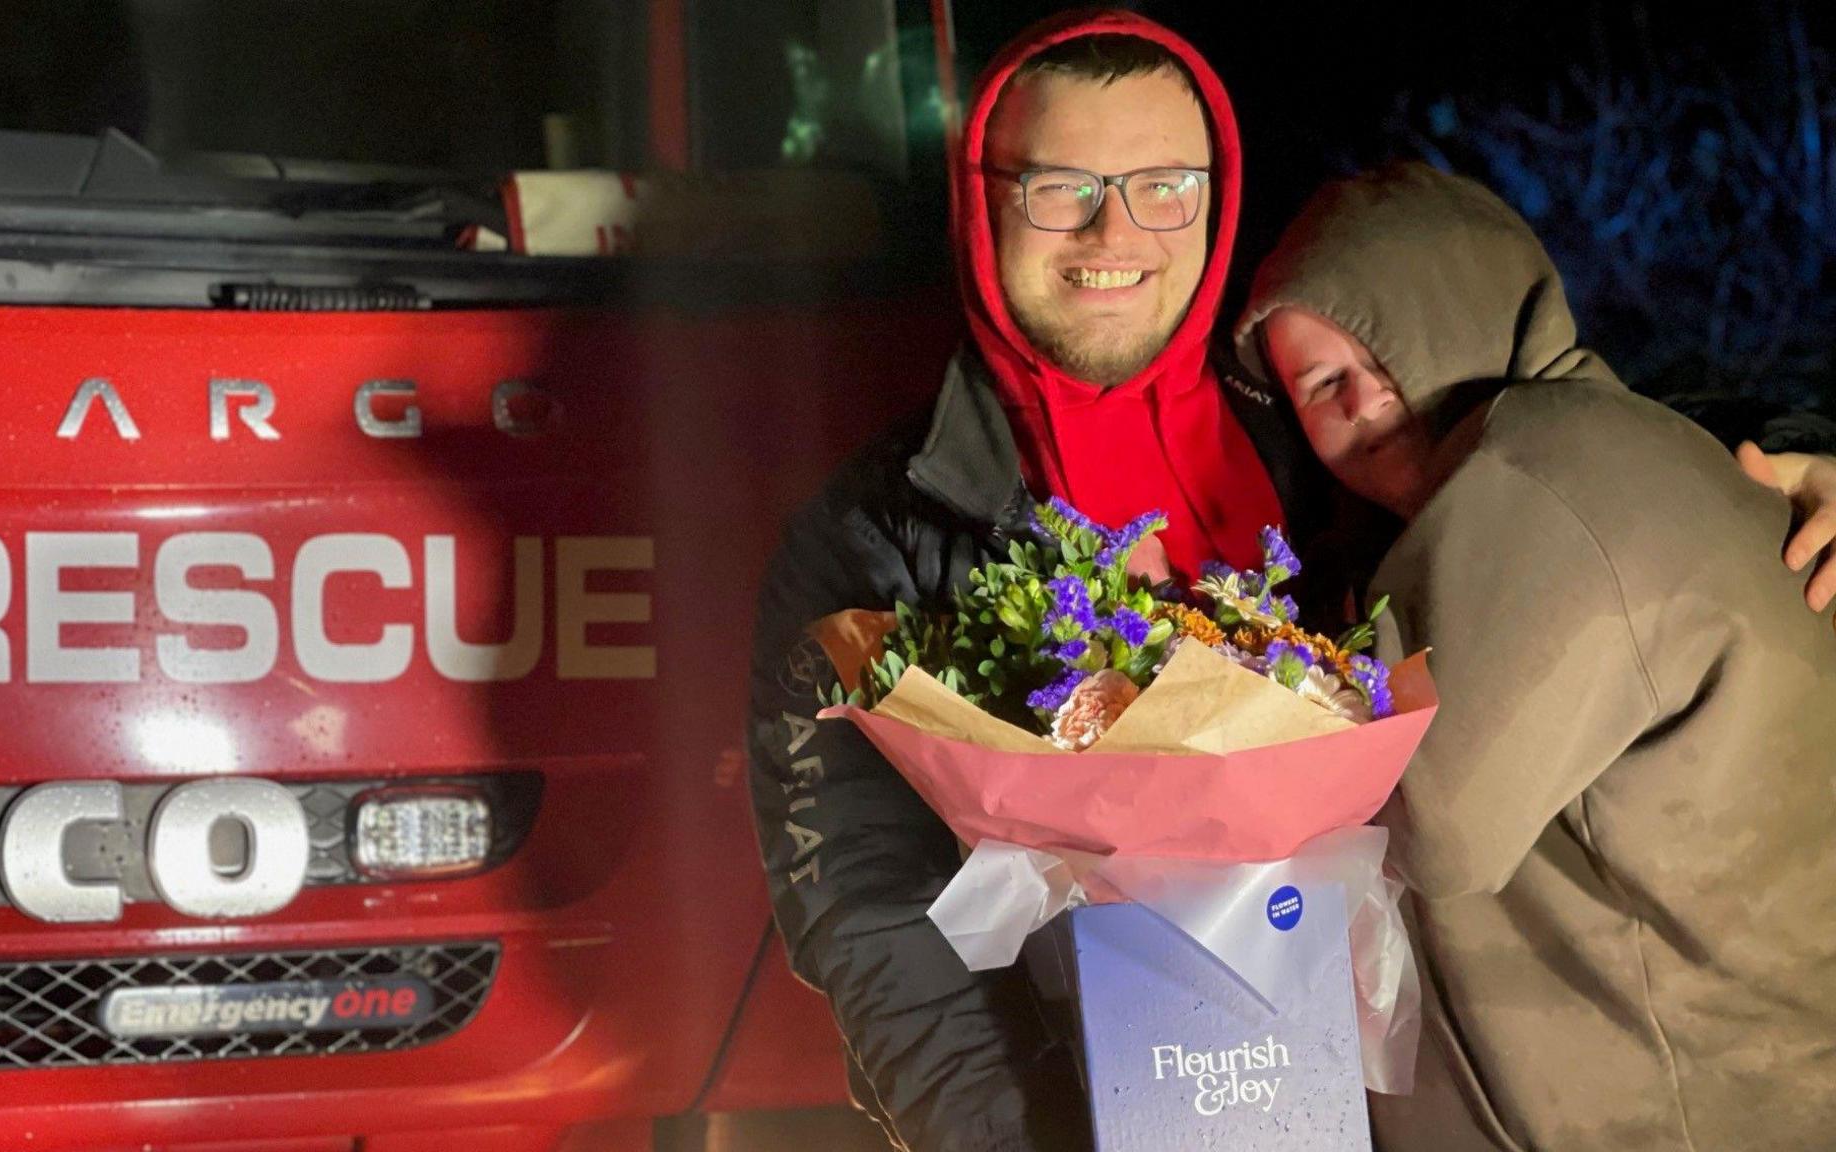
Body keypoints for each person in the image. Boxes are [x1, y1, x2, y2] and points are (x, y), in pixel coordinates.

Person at [747, 12, 1836, 1151]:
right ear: (982, 203)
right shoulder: (873, 539)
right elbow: (869, 917)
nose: (1112, 230)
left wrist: (1795, 455)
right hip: (1116, 1111)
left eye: (1161, 183)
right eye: (1057, 186)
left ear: (1213, 201)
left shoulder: (1317, 423)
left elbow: (1564, 434)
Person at [1236, 161, 1836, 1151]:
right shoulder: (1555, 469)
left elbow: (1429, 817)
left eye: (1379, 347)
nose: (1357, 402)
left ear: (1462, 299)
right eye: (1317, 384)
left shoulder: (1544, 463)